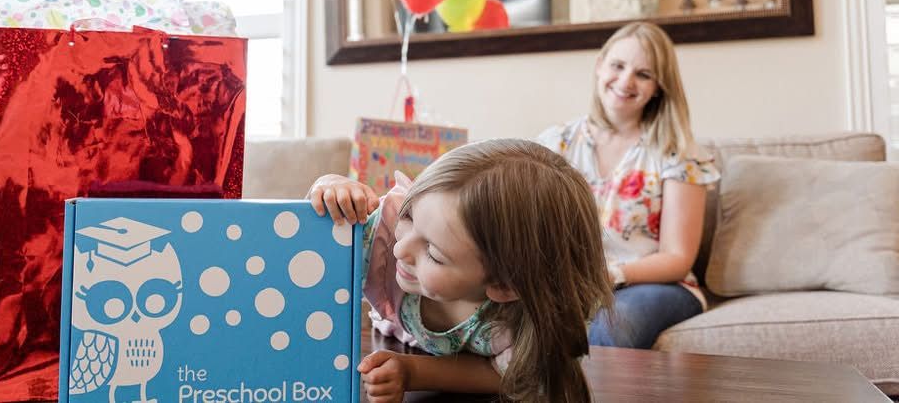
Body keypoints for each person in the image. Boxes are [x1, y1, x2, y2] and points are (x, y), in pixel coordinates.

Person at [308, 139, 613, 403]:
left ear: (504, 286)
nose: (400, 250)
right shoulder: (383, 237)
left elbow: (510, 374)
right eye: (409, 216)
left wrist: (412, 371)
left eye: (434, 254)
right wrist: (329, 189)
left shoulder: (521, 326)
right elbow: (308, 248)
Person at [536, 21, 720, 349]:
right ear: (599, 66)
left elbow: (677, 257)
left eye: (643, 74)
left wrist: (612, 275)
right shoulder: (556, 144)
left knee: (612, 324)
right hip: (571, 285)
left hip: (655, 285)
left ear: (658, 86)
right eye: (618, 66)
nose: (625, 81)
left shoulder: (678, 153)